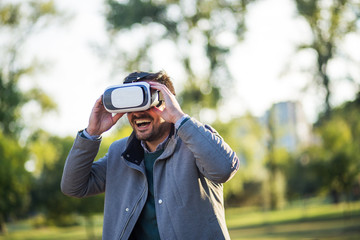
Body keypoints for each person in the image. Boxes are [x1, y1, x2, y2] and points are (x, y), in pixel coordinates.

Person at [61, 70, 239, 240]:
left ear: (167, 102)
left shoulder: (196, 142)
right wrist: (91, 133)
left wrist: (179, 118)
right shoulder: (119, 153)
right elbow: (73, 187)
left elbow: (224, 169)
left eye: (145, 103)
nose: (137, 113)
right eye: (131, 106)